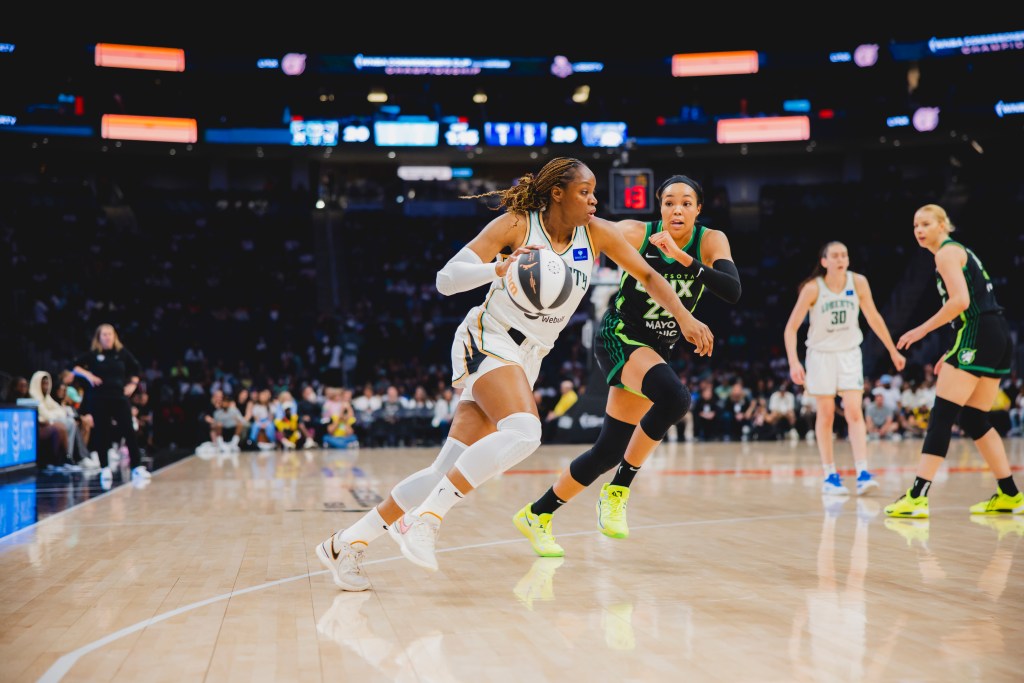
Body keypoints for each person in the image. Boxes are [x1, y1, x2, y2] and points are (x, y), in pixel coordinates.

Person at [314, 157, 713, 590]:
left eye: (595, 191)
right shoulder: (517, 224)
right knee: (525, 432)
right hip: (488, 337)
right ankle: (425, 519)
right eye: (585, 191)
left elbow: (650, 277)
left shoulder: (597, 233)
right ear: (557, 194)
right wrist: (497, 269)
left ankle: (345, 543)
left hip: (530, 355)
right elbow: (446, 279)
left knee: (442, 471)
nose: (594, 199)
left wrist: (685, 318)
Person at [515, 174, 740, 555]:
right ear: (660, 208)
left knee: (607, 451)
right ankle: (618, 490)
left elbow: (731, 290)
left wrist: (684, 259)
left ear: (699, 209)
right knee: (675, 399)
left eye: (686, 202)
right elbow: (584, 230)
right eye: (669, 202)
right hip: (620, 336)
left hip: (657, 347)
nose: (677, 209)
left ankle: (538, 513)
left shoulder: (711, 240)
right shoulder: (636, 233)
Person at [885, 204, 1021, 517]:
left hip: (978, 331)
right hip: (996, 333)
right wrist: (951, 350)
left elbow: (962, 302)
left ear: (943, 225)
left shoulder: (945, 253)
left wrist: (920, 330)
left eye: (926, 223)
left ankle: (917, 495)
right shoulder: (959, 252)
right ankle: (1010, 494)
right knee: (974, 418)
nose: (919, 230)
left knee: (943, 414)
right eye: (915, 225)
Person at [783, 241, 906, 496]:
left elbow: (873, 317)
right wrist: (794, 362)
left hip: (849, 353)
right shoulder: (812, 288)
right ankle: (830, 475)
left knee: (853, 411)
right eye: (835, 256)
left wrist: (893, 350)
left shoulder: (858, 282)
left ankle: (862, 472)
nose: (841, 259)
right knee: (826, 414)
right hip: (820, 355)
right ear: (825, 261)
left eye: (844, 255)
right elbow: (791, 328)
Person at [71, 323, 151, 487]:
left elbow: (136, 368)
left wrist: (133, 384)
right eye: (104, 334)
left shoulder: (121, 354)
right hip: (99, 398)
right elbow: (72, 367)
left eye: (110, 334)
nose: (107, 337)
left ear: (114, 336)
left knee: (129, 430)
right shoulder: (94, 355)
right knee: (102, 432)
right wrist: (88, 375)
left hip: (119, 398)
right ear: (99, 337)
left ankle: (136, 466)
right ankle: (104, 467)